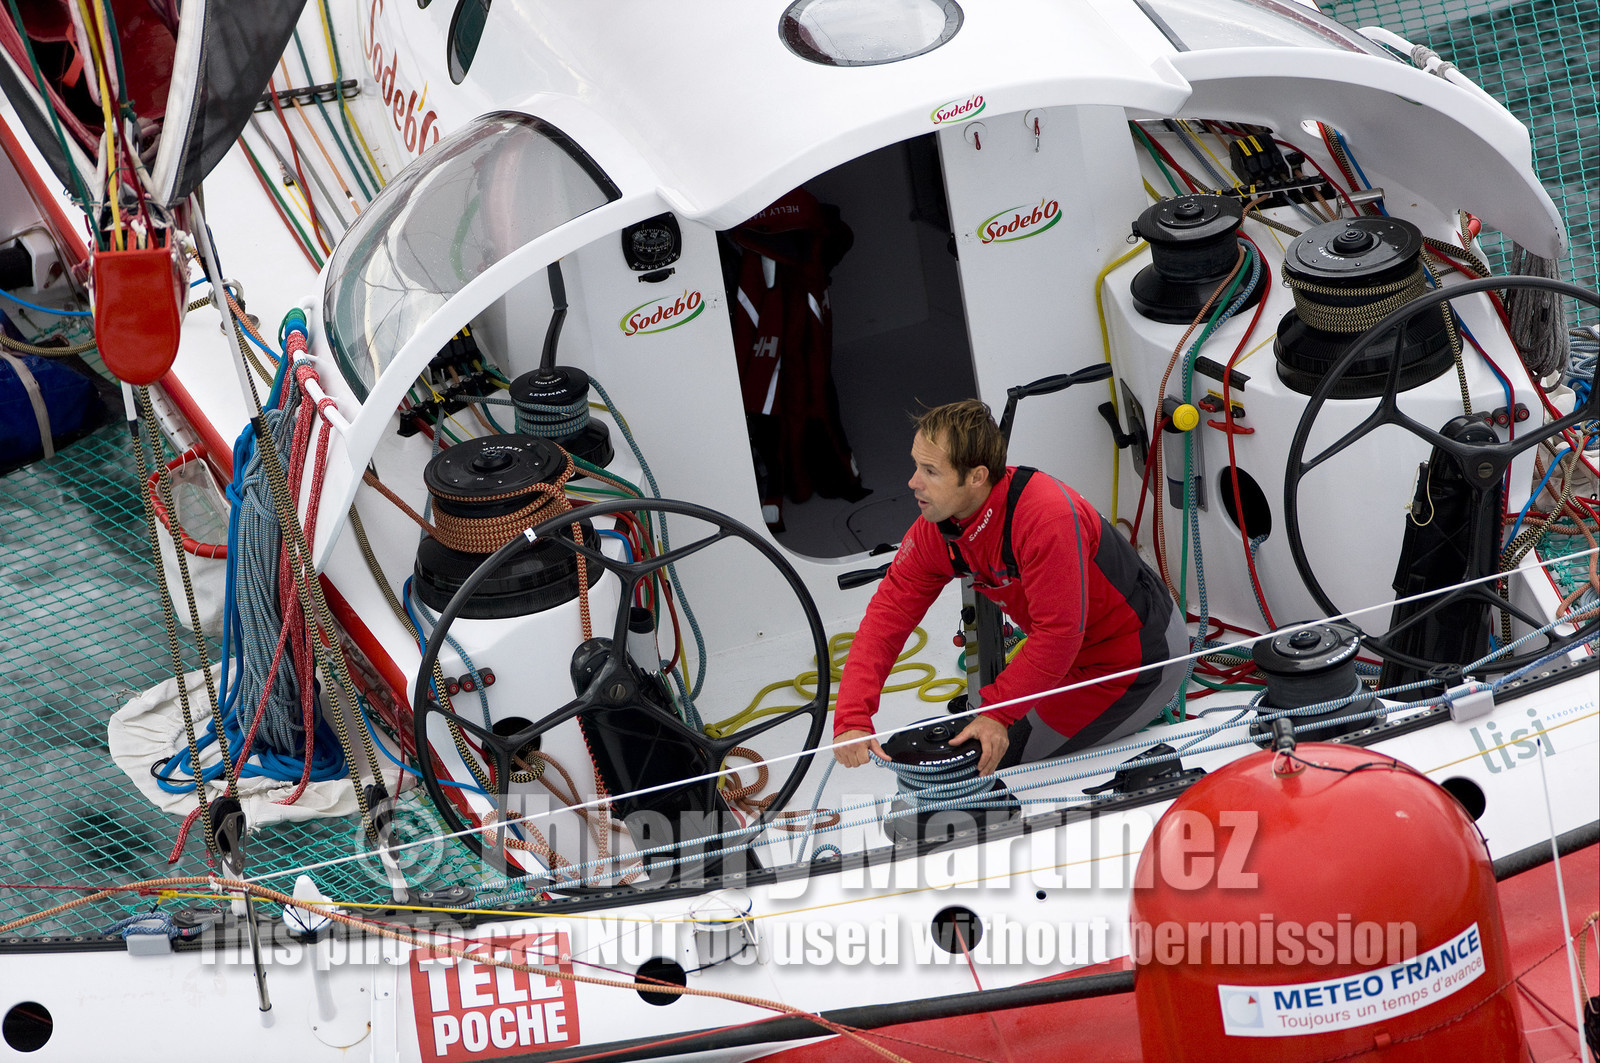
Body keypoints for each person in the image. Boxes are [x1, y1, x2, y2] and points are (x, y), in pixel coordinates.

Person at [832, 399, 1188, 775]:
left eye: (930, 471)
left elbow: (1058, 636)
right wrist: (853, 715)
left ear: (976, 476)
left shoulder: (1045, 519)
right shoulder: (938, 529)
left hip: (1136, 663)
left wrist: (997, 713)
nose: (912, 482)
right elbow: (888, 617)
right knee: (969, 749)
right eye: (917, 465)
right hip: (1064, 661)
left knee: (987, 758)